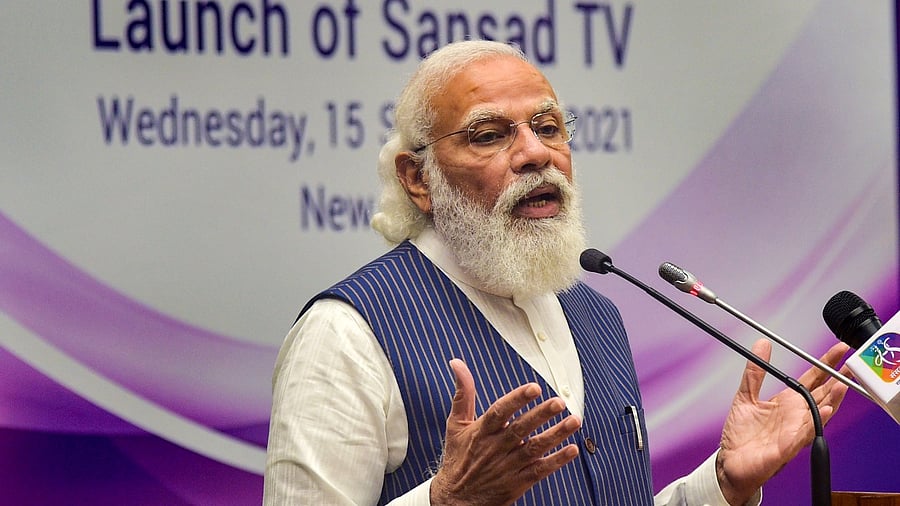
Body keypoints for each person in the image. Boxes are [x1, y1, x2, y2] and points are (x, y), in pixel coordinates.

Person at [263, 40, 850, 505]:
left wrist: (722, 484)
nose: (535, 153)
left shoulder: (595, 316)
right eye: (490, 135)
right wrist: (449, 502)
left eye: (548, 128)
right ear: (418, 179)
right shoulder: (346, 334)